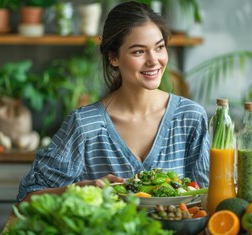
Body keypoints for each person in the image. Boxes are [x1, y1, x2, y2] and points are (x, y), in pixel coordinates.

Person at [17, 1, 210, 202]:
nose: (154, 60)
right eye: (139, 51)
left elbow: (209, 196)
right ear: (113, 58)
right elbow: (27, 197)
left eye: (159, 47)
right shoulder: (85, 125)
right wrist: (78, 189)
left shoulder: (190, 117)